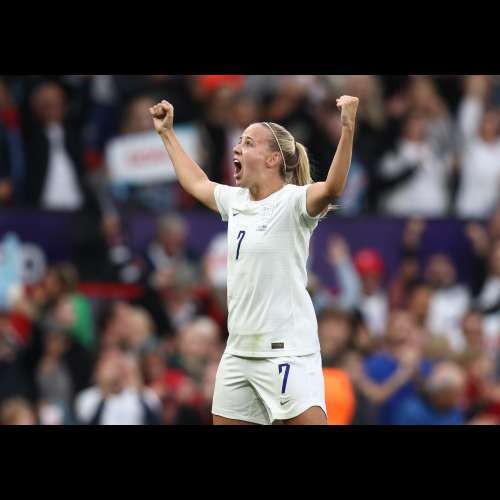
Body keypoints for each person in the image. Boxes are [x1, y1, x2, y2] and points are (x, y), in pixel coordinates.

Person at [150, 94, 359, 425]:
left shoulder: (295, 202)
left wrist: (347, 128)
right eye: (238, 141)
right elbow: (196, 182)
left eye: (248, 143)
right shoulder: (236, 201)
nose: (237, 148)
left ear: (273, 158)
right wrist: (167, 134)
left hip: (286, 351)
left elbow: (333, 188)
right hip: (239, 351)